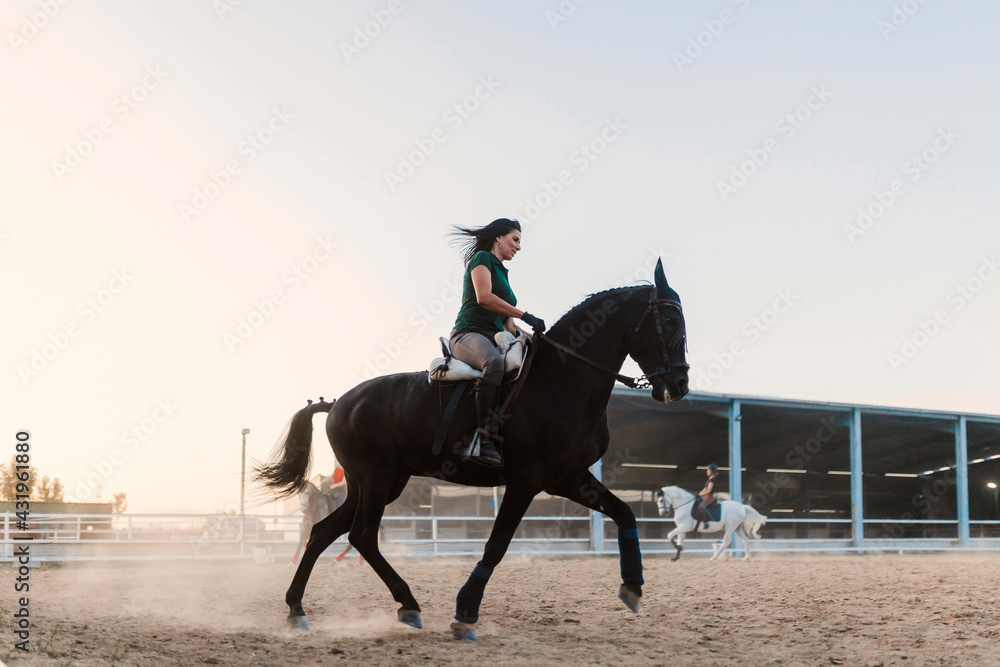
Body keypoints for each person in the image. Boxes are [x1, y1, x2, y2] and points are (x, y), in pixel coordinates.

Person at [448, 218, 546, 466]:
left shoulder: (503, 272)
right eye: (515, 240)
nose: (519, 247)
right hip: (467, 334)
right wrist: (525, 314)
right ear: (498, 238)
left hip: (493, 335)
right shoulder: (482, 258)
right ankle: (482, 438)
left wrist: (536, 339)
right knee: (493, 363)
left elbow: (508, 326)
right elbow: (484, 298)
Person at [693, 464, 719, 530]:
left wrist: (700, 495)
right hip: (707, 496)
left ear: (712, 471)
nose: (707, 471)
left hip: (710, 497)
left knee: (700, 507)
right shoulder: (709, 480)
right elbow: (705, 489)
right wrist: (698, 494)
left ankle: (706, 523)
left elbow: (708, 491)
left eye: (708, 470)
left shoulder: (712, 480)